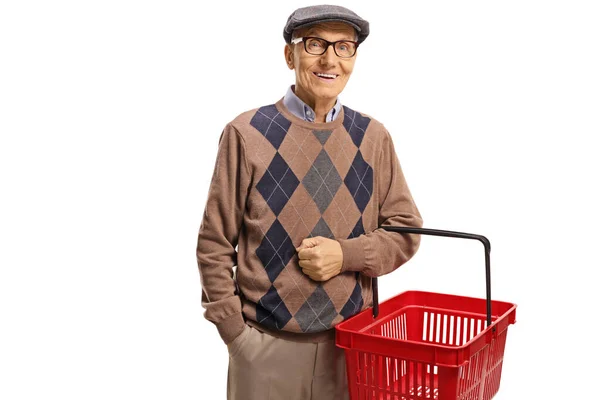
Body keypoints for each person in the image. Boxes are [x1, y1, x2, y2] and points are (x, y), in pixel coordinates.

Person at [196, 5, 423, 400]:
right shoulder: (246, 133)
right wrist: (237, 336)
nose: (330, 59)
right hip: (264, 350)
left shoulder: (373, 137)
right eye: (315, 43)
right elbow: (214, 244)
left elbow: (407, 231)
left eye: (344, 47)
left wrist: (346, 254)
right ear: (290, 55)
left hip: (352, 349)